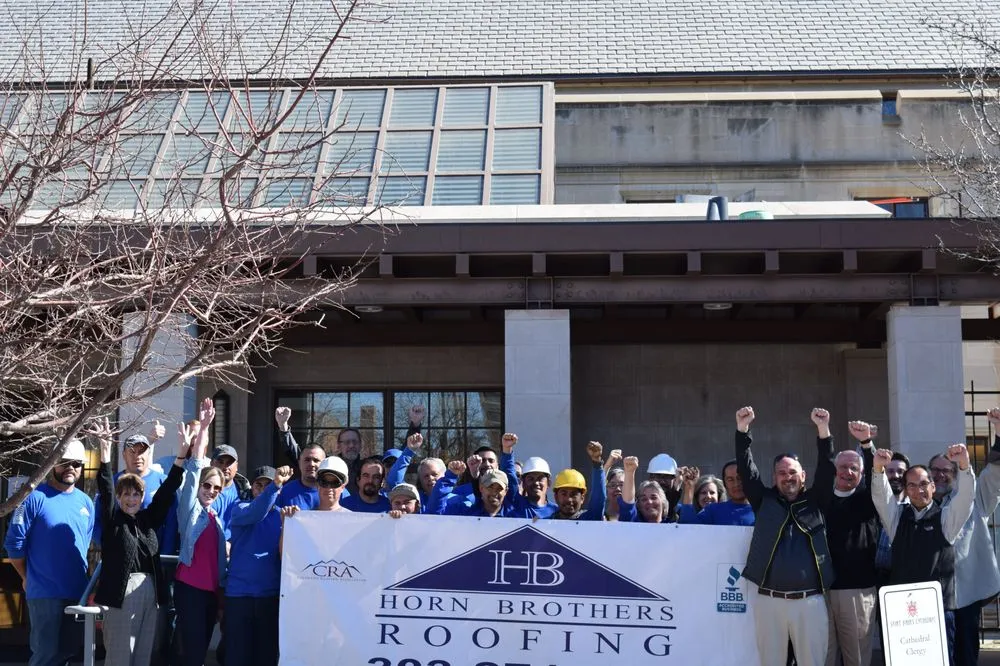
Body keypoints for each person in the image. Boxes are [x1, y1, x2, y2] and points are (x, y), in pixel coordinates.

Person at [736, 406, 836, 666]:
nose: (787, 477)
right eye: (781, 473)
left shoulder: (816, 501)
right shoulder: (764, 501)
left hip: (810, 602)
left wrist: (823, 430)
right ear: (774, 477)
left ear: (803, 476)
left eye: (792, 472)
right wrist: (743, 430)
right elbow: (747, 470)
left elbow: (827, 469)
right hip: (769, 602)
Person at [93, 418, 186, 666]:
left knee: (144, 657)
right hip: (121, 593)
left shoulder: (148, 519)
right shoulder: (113, 521)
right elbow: (106, 489)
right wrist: (104, 452)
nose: (131, 499)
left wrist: (181, 456)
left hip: (151, 591)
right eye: (126, 494)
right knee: (120, 658)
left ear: (142, 496)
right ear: (119, 497)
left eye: (136, 494)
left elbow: (167, 491)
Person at [872, 444, 976, 664]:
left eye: (923, 484)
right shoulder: (896, 518)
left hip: (937, 611)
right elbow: (881, 497)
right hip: (903, 614)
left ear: (932, 486)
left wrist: (965, 466)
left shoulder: (946, 519)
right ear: (906, 489)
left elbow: (966, 498)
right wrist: (878, 470)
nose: (918, 490)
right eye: (911, 485)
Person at [4, 437, 95, 666]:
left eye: (76, 463)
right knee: (45, 655)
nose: (71, 468)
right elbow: (14, 546)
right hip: (45, 594)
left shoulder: (86, 502)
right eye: (65, 462)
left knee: (68, 654)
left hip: (77, 593)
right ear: (53, 462)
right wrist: (27, 577)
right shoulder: (32, 499)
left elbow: (86, 544)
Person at [930, 408, 1000, 666]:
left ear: (956, 473)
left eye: (946, 470)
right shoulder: (920, 505)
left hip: (964, 594)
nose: (940, 475)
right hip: (930, 595)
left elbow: (994, 474)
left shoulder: (975, 498)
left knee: (965, 656)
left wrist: (999, 432)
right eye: (934, 470)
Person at [174, 399, 228, 666]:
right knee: (192, 655)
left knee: (201, 653)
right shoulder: (190, 509)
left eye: (217, 488)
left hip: (210, 594)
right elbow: (195, 467)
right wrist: (205, 427)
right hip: (190, 590)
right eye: (207, 485)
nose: (211, 491)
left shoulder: (216, 518)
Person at [821, 421, 880, 666]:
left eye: (854, 468)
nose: (848, 471)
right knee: (823, 657)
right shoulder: (821, 499)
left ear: (862, 473)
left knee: (856, 658)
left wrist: (866, 443)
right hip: (822, 591)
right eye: (843, 467)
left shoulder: (868, 499)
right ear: (835, 471)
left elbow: (878, 475)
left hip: (857, 592)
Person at [224, 464, 294, 666]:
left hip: (269, 597)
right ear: (252, 488)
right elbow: (257, 512)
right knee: (237, 658)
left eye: (268, 485)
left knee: (266, 658)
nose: (263, 489)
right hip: (239, 596)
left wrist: (293, 520)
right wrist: (275, 486)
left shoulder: (283, 516)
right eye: (259, 485)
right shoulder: (240, 509)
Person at [548, 442, 607, 521]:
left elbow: (598, 498)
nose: (569, 499)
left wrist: (597, 462)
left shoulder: (589, 519)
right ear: (556, 497)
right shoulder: (545, 523)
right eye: (564, 494)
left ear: (582, 498)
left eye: (573, 494)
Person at [694, 460, 754, 526]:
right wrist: (689, 487)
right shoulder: (712, 511)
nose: (736, 484)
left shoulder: (761, 511)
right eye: (730, 480)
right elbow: (689, 528)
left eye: (740, 478)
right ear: (725, 484)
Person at [618, 457, 672, 523]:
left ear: (663, 503)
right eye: (644, 499)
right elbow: (627, 506)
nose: (649, 502)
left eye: (654, 498)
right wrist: (629, 472)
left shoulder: (674, 526)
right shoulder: (632, 523)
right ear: (639, 506)